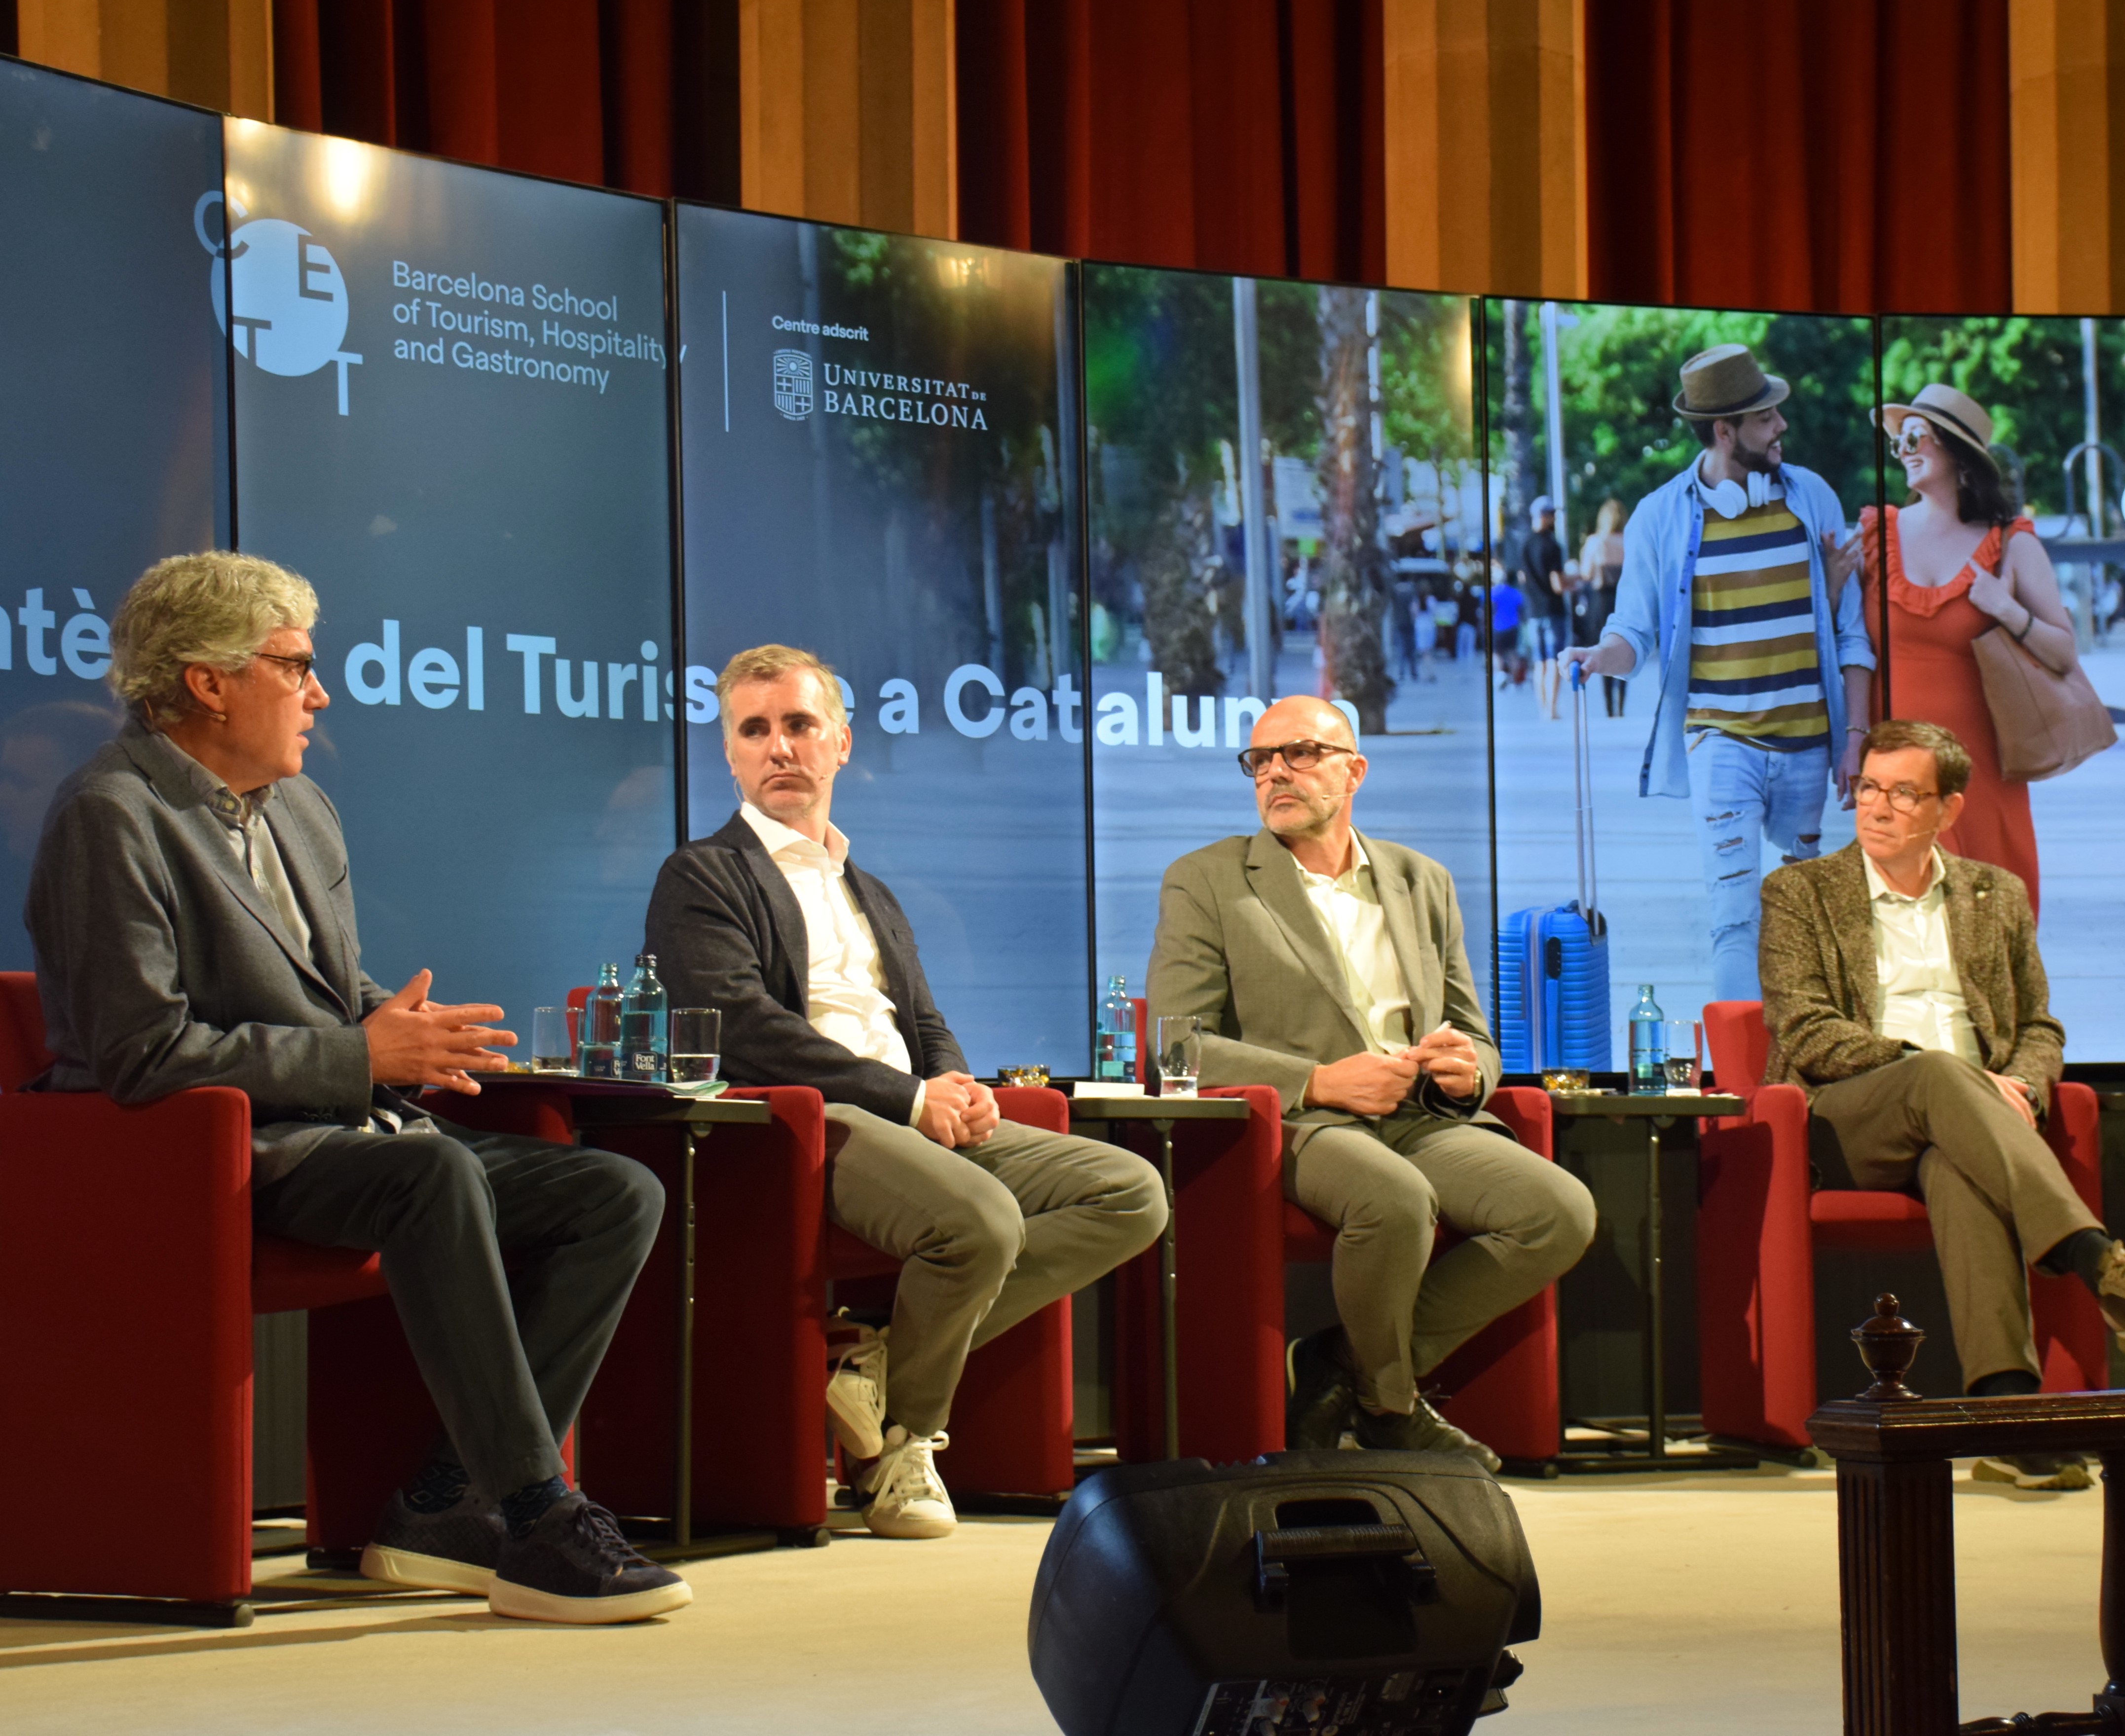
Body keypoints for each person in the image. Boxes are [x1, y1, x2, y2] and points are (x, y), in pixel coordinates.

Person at [26, 552, 685, 1623]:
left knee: (616, 1192)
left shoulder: (302, 810)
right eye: (295, 666)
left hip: (344, 1129)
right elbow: (140, 1053)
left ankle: (444, 1504)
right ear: (207, 681)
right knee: (428, 1171)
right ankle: (540, 1512)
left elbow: (327, 990)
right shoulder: (111, 814)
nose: (321, 693)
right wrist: (361, 1057)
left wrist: (414, 1034)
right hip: (207, 1155)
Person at [645, 645, 1165, 1535]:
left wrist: (957, 1085)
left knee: (1130, 1193)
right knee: (982, 1221)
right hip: (807, 1125)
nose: (780, 748)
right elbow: (745, 1031)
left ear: (840, 743)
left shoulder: (871, 890)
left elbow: (921, 1022)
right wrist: (911, 1100)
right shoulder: (702, 875)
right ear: (729, 754)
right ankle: (907, 1445)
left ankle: (877, 1362)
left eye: (800, 726)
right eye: (755, 730)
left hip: (907, 1109)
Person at [1147, 695, 1597, 1473]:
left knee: (1560, 1211)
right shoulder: (1210, 880)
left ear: (1354, 770)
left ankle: (1342, 1365)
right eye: (1261, 761)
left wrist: (1469, 1072)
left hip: (1424, 1118)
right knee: (1393, 1199)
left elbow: (1476, 1033)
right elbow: (1176, 1046)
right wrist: (1319, 1080)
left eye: (1301, 754)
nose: (1276, 773)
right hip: (1301, 1122)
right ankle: (1390, 1406)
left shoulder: (1422, 880)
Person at [1759, 719, 2125, 1490]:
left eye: (1904, 793)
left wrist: (2025, 1085)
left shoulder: (1995, 894)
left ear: (1949, 809)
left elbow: (2039, 1024)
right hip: (1847, 1116)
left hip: (1969, 1126)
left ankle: (2005, 1416)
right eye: (1869, 787)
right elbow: (1805, 1030)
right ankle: (2096, 1259)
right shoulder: (1800, 891)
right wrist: (1935, 1072)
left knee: (1960, 1173)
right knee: (1940, 1076)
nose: (1878, 806)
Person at [1564, 344, 1875, 1005]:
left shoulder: (1812, 497)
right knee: (1734, 917)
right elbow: (1636, 632)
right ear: (1726, 431)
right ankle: (1745, 1087)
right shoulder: (1661, 515)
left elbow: (1850, 632)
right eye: (1766, 419)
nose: (1781, 428)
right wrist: (1599, 658)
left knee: (1808, 921)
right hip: (1720, 744)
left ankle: (1807, 1064)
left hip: (1805, 747)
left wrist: (1854, 736)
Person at [1848, 384, 2075, 914]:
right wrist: (1854, 739)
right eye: (1898, 440)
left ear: (1955, 450)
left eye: (1915, 437)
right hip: (1896, 772)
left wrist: (2006, 608)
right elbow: (1852, 650)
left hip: (1981, 773)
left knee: (1987, 922)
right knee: (1903, 926)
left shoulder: (2011, 542)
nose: (1902, 449)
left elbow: (2064, 653)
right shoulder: (1874, 536)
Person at [1516, 494, 1571, 721]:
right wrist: (1574, 582)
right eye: (1551, 515)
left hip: (1533, 611)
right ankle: (1552, 709)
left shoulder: (1525, 545)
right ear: (1545, 516)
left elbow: (1522, 577)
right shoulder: (1552, 545)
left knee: (1539, 663)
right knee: (1553, 660)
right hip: (1553, 610)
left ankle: (1542, 708)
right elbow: (1557, 584)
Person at [1573, 498, 1628, 718]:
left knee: (1605, 648)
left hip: (1601, 601)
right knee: (1625, 646)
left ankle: (1609, 708)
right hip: (1624, 600)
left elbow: (1586, 573)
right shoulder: (1629, 540)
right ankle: (1622, 704)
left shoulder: (1596, 542)